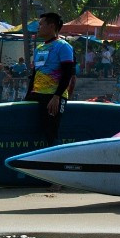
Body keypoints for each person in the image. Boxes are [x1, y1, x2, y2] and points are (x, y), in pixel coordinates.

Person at [27, 11, 77, 144]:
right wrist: (27, 96)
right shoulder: (39, 48)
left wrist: (57, 97)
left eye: (41, 24)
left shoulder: (63, 46)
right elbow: (35, 74)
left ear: (51, 26)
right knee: (33, 132)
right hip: (36, 95)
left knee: (51, 134)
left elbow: (68, 74)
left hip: (53, 97)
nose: (38, 27)